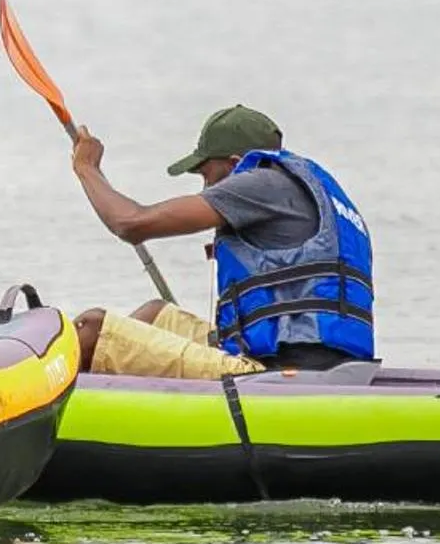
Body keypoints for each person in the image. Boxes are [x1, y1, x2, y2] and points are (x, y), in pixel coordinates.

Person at [67, 103, 373, 379]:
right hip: (323, 359)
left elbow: (131, 224)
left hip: (281, 372)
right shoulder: (307, 189)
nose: (205, 186)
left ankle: (38, 415)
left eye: (206, 174)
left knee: (92, 329)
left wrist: (87, 169)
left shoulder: (259, 183)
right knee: (156, 314)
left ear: (235, 163)